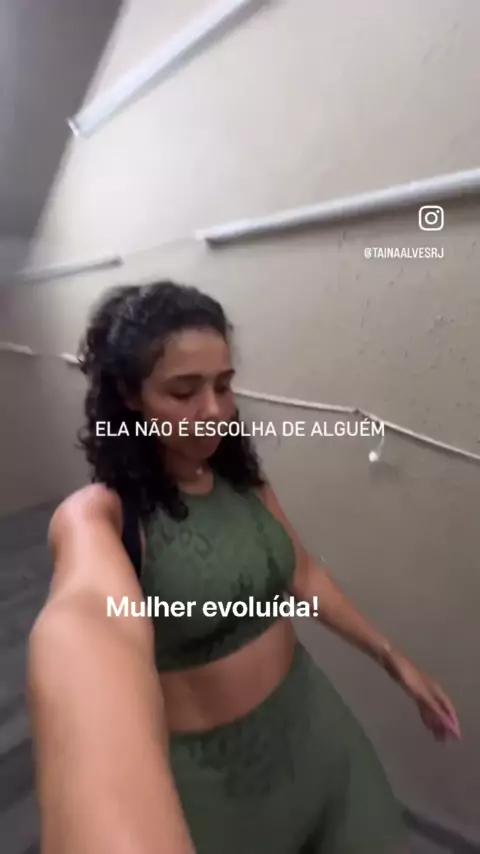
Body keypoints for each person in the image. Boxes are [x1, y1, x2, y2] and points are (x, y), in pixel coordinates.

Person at [29, 280, 461, 854]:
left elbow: (303, 574)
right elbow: (84, 625)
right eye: (184, 391)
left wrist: (392, 658)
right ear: (131, 396)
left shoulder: (243, 482)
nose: (214, 410)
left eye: (223, 385)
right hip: (214, 789)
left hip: (317, 733)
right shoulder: (98, 515)